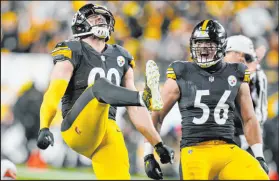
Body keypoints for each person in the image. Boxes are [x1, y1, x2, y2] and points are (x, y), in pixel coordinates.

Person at [36, 4, 174, 179]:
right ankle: (144, 96)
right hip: (77, 125)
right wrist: (44, 126)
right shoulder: (72, 50)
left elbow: (136, 109)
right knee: (100, 86)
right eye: (95, 18)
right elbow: (53, 92)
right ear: (80, 23)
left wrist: (157, 144)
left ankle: (143, 97)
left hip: (107, 129)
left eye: (104, 19)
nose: (101, 21)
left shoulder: (121, 56)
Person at [143, 19, 269, 180]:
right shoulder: (182, 71)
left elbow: (249, 118)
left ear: (221, 46)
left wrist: (259, 156)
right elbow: (157, 115)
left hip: (228, 149)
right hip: (195, 150)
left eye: (209, 44)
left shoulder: (236, 72)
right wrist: (149, 153)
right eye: (199, 43)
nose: (203, 48)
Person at [224, 35, 268, 154]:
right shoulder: (216, 71)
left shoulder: (256, 76)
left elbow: (260, 115)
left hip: (244, 135)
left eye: (248, 58)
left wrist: (247, 140)